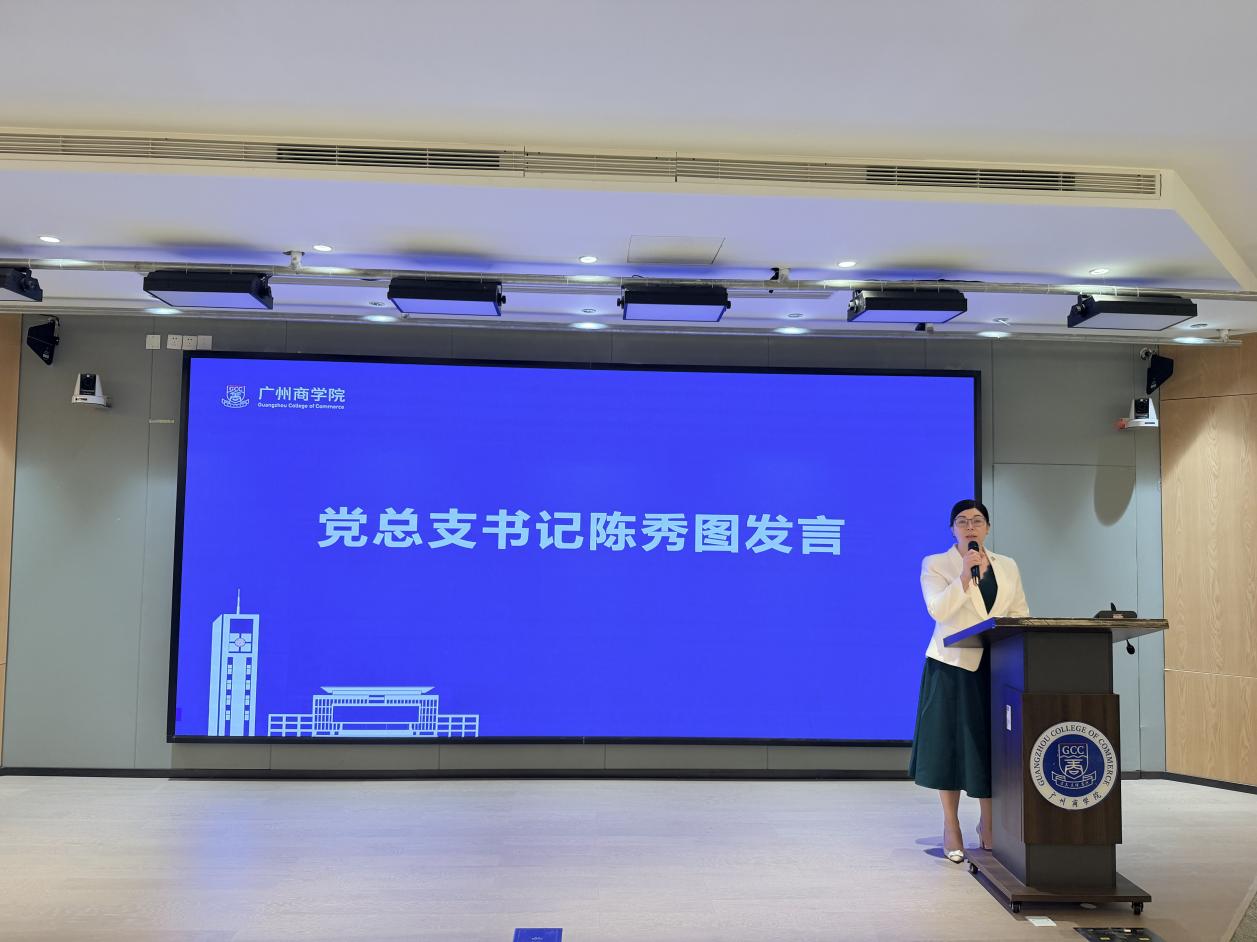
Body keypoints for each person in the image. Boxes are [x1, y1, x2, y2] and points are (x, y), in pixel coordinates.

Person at [908, 499, 1029, 863]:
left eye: (977, 520)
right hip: (952, 667)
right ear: (952, 530)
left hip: (998, 668)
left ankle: (989, 824)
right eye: (962, 521)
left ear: (987, 528)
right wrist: (964, 575)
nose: (970, 526)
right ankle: (951, 825)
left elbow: (1020, 613)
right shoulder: (936, 564)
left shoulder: (1007, 566)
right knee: (950, 748)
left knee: (993, 748)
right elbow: (938, 610)